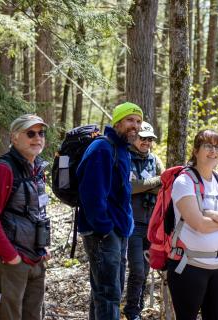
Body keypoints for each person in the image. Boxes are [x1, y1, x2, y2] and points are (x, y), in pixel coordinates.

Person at [0, 114, 50, 320]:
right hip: (9, 262)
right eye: (30, 133)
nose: (37, 138)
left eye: (41, 133)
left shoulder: (37, 169)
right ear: (14, 137)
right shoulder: (2, 169)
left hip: (36, 258)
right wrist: (11, 256)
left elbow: (38, 213)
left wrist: (43, 246)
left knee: (34, 315)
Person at [168, 129, 218, 320]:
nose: (213, 151)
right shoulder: (184, 182)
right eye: (208, 146)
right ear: (195, 150)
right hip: (188, 266)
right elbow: (198, 224)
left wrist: (210, 214)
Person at [77, 102, 143, 319]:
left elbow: (120, 195)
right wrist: (105, 228)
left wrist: (125, 226)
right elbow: (92, 194)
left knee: (106, 292)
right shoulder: (102, 148)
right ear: (117, 122)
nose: (135, 125)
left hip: (118, 231)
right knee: (109, 293)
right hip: (103, 233)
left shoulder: (122, 150)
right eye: (129, 120)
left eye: (138, 121)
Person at [124, 121, 165, 320]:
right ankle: (131, 311)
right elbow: (129, 187)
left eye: (150, 139)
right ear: (135, 138)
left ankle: (136, 309)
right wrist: (154, 182)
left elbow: (165, 186)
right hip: (132, 223)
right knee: (138, 270)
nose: (146, 142)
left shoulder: (154, 160)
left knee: (146, 268)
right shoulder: (125, 157)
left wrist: (145, 185)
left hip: (152, 224)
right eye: (143, 138)